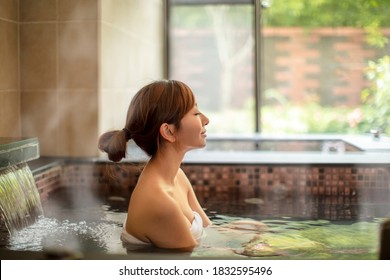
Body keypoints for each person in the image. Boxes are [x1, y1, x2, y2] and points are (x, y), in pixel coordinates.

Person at [98, 80, 212, 252]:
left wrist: (246, 230)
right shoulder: (160, 203)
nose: (206, 120)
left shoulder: (176, 176)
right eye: (195, 113)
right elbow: (196, 261)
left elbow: (208, 229)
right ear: (169, 132)